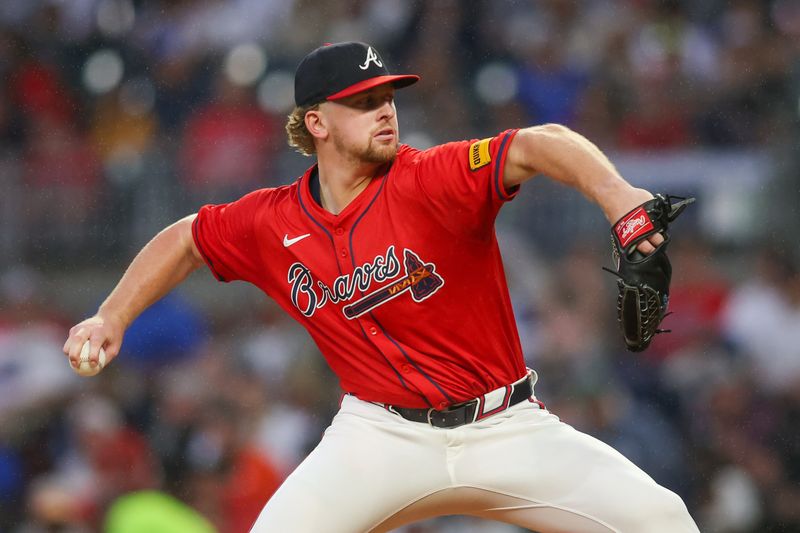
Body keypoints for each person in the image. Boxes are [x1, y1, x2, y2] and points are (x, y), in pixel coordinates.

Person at [63, 42, 700, 532]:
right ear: (316, 122)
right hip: (379, 437)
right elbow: (187, 238)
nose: (385, 110)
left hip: (505, 425)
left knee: (664, 521)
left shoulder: (432, 177)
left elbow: (539, 143)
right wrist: (112, 317)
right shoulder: (272, 220)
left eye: (388, 97)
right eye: (363, 102)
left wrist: (618, 196)